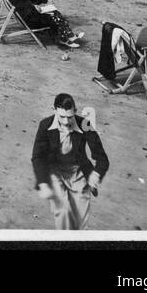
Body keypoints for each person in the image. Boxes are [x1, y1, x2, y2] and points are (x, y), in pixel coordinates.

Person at [30, 94, 109, 231]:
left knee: (80, 223)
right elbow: (38, 157)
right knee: (63, 212)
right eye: (62, 117)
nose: (66, 122)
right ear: (54, 110)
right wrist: (43, 182)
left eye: (70, 117)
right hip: (55, 171)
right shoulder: (45, 125)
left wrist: (96, 174)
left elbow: (101, 156)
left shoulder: (85, 124)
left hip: (78, 173)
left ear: (76, 111)